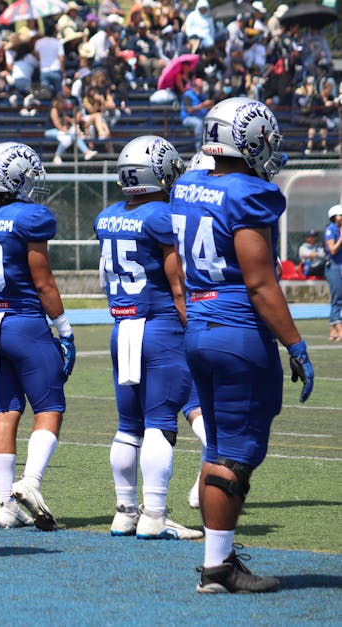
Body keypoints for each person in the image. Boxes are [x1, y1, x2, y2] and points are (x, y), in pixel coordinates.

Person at [169, 97, 314, 593]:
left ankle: (219, 560)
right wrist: (294, 343)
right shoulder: (252, 193)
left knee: (218, 449)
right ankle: (219, 568)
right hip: (238, 331)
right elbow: (260, 284)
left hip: (200, 327)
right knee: (235, 455)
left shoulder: (188, 185)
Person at [0, 142, 75, 531]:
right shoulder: (28, 217)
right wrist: (65, 330)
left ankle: (5, 505)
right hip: (23, 322)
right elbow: (43, 283)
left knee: (5, 414)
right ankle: (30, 484)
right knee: (49, 407)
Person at [94, 136, 203, 541]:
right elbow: (178, 285)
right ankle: (155, 514)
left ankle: (124, 511)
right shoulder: (162, 217)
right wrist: (193, 325)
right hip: (158, 327)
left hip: (122, 327)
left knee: (128, 426)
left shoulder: (106, 217)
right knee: (159, 423)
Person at [325, 205, 342, 341]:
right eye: (340, 215)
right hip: (334, 267)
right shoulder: (330, 230)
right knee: (337, 297)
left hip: (340, 266)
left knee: (338, 298)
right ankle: (337, 326)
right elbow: (333, 250)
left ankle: (333, 332)